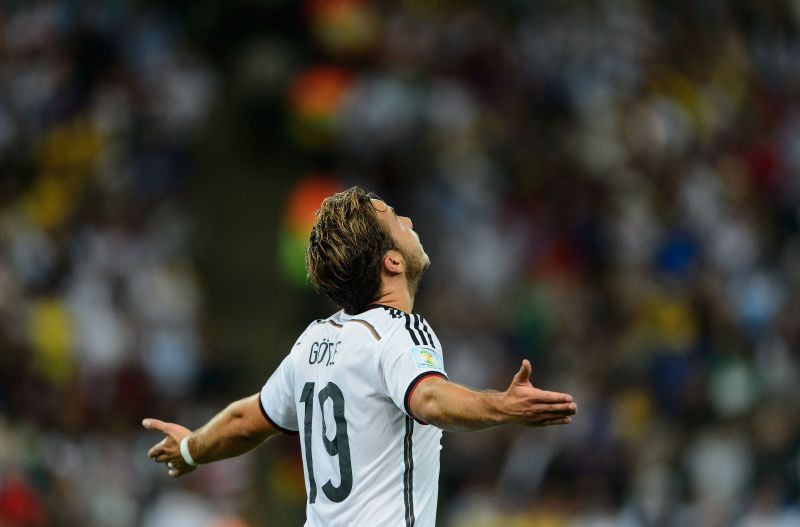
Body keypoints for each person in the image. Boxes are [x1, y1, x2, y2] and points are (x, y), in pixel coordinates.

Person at [143, 186, 577, 526]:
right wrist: (499, 406)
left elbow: (246, 421)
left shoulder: (312, 342)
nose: (408, 220)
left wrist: (191, 448)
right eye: (396, 220)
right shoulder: (400, 331)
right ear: (391, 262)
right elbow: (428, 399)